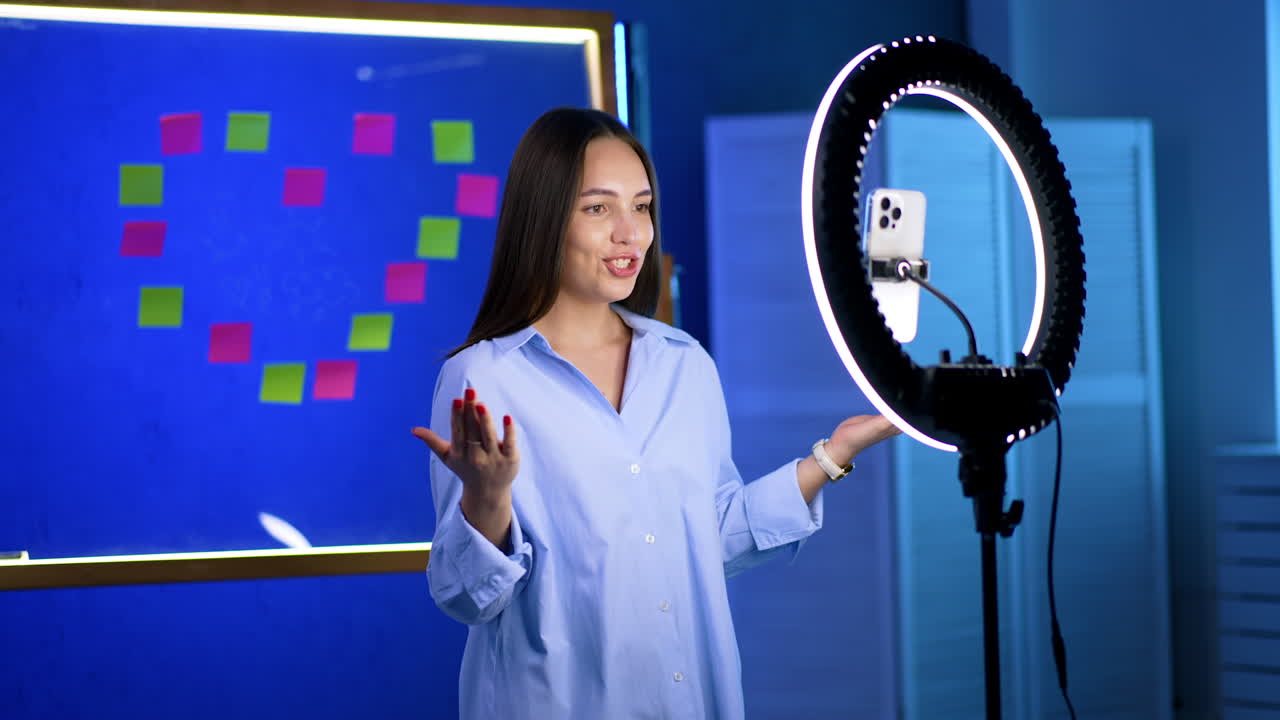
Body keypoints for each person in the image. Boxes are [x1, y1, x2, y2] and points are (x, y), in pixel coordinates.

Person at [411, 107, 899, 719]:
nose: (630, 234)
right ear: (543, 219)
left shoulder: (683, 363)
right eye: (598, 208)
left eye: (640, 207)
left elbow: (708, 539)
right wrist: (487, 501)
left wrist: (833, 456)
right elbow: (464, 598)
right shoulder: (483, 376)